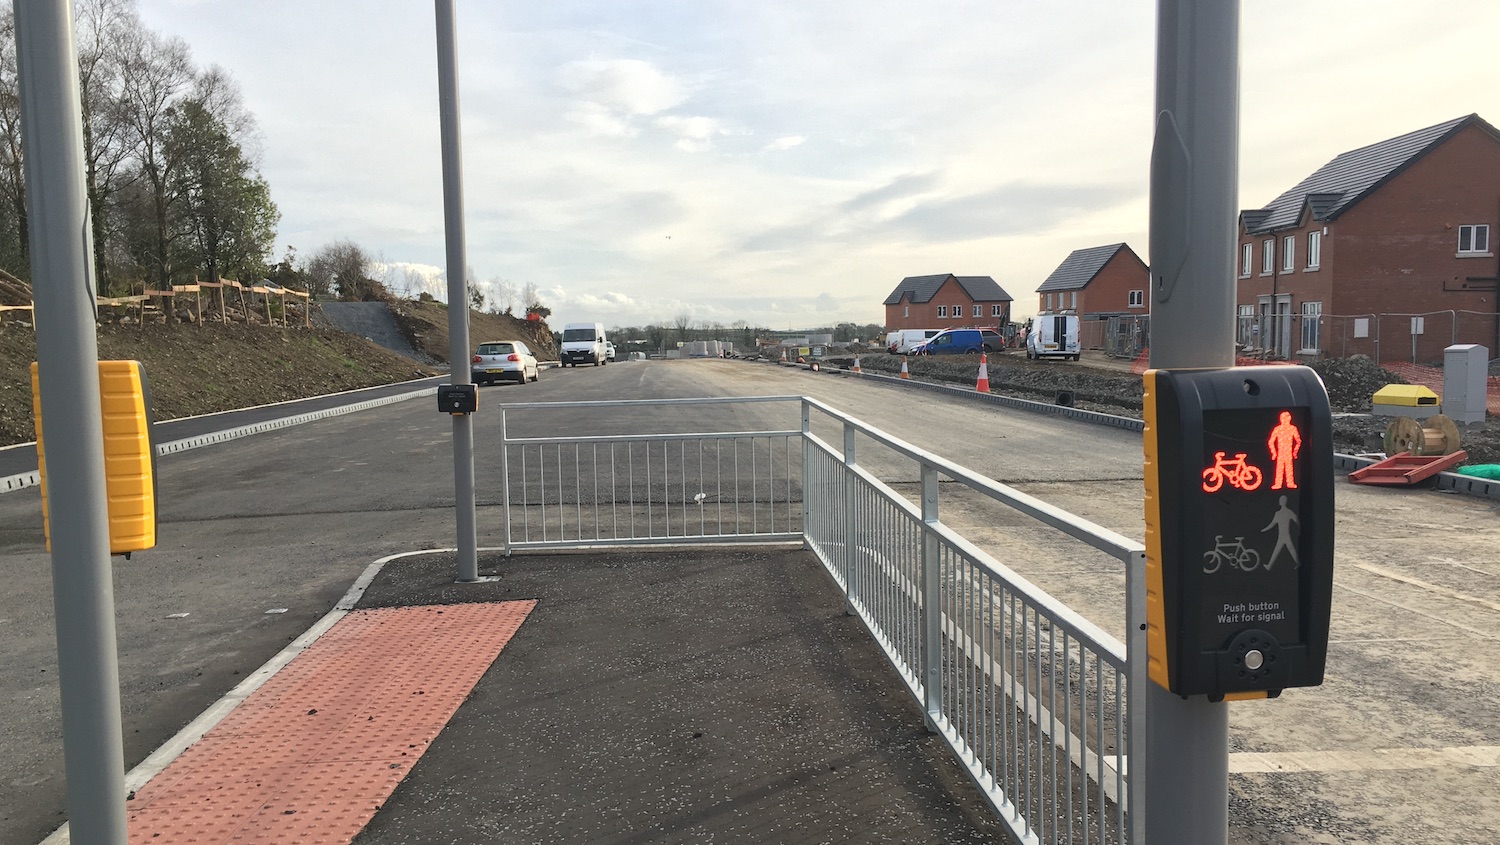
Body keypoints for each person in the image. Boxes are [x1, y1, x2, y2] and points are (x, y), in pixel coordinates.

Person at [1267, 410, 1301, 490]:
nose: (1285, 420)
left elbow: (1298, 441)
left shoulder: (1293, 428)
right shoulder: (1277, 429)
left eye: (1287, 418)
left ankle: (1290, 483)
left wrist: (1295, 452)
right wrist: (1274, 453)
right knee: (1280, 468)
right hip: (1281, 452)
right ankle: (1278, 484)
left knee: (1289, 468)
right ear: (1281, 419)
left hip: (1288, 452)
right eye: (1284, 418)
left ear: (1290, 419)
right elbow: (1271, 441)